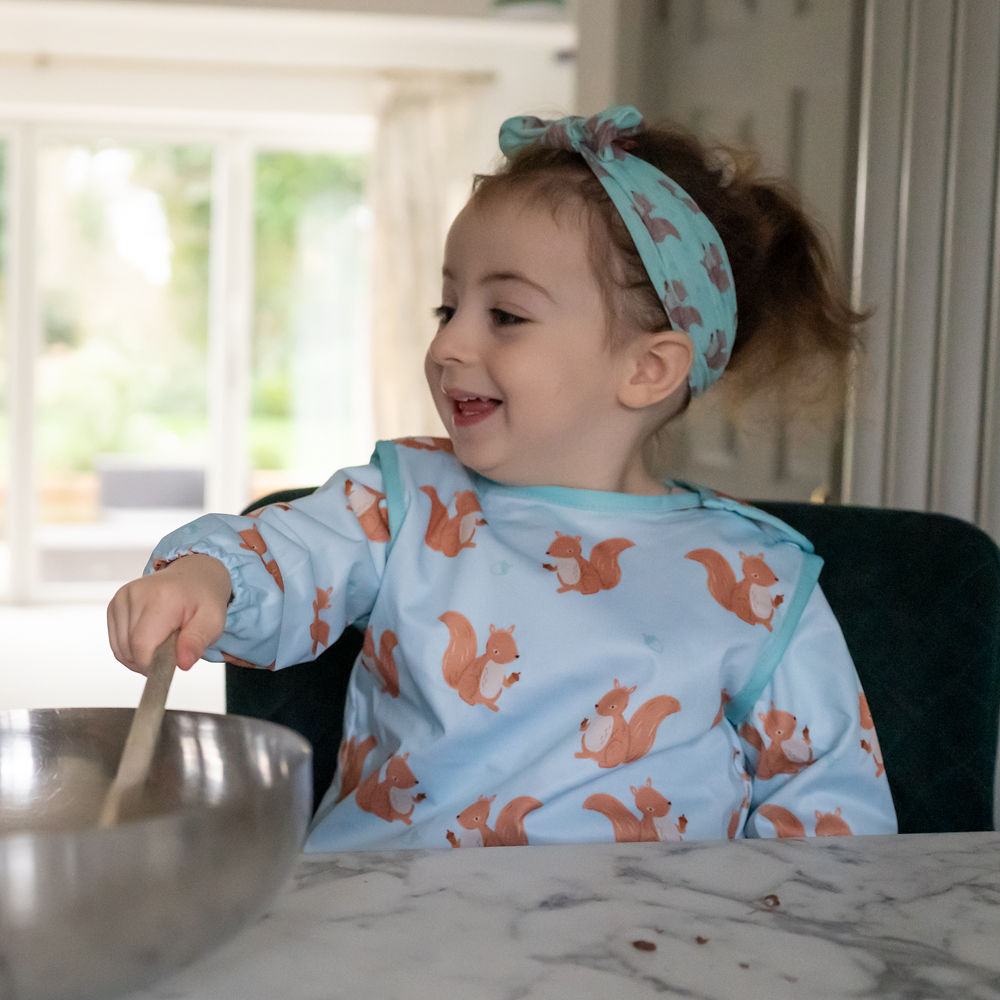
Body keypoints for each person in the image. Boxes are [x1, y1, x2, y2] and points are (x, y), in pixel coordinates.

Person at [107, 105, 897, 849]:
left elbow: (833, 822)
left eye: (506, 316)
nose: (448, 345)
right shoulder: (404, 500)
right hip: (392, 915)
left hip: (644, 935)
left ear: (649, 369)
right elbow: (290, 558)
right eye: (446, 308)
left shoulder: (758, 577)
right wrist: (208, 577)